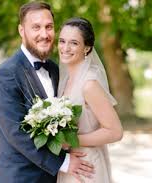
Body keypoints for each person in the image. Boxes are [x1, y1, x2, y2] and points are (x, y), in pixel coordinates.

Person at [0, 2, 94, 183]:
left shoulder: (55, 69)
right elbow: (17, 134)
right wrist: (65, 162)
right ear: (22, 31)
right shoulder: (7, 74)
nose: (44, 34)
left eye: (49, 27)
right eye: (36, 27)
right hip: (19, 177)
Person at [57, 17, 123, 183]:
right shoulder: (65, 80)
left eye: (74, 43)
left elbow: (115, 131)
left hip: (87, 166)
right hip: (71, 163)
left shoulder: (89, 84)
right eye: (62, 41)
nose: (65, 48)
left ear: (87, 48)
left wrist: (70, 141)